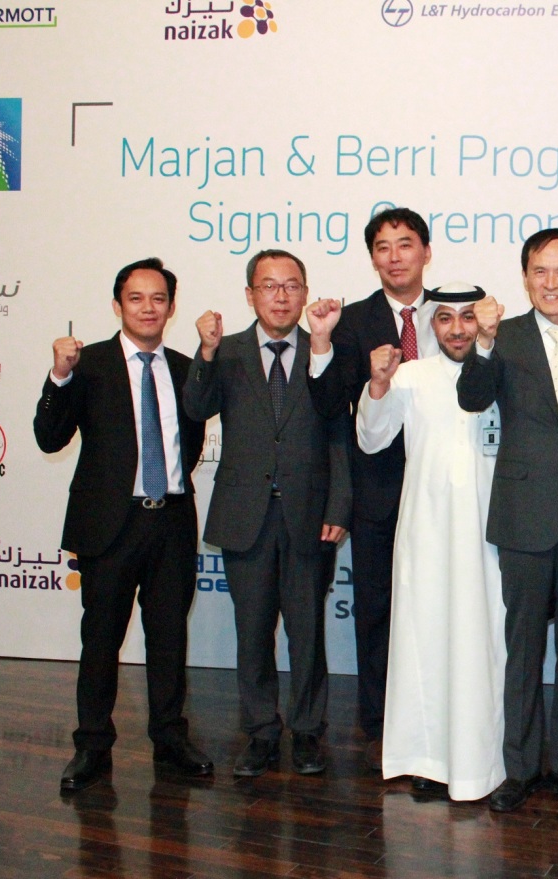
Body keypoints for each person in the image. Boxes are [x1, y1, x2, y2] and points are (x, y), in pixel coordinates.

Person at [456, 229, 558, 813]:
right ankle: (520, 769)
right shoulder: (505, 336)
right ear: (526, 278)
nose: (551, 283)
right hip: (525, 519)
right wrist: (482, 343)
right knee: (522, 649)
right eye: (540, 272)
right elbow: (473, 399)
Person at [34, 257, 211, 792]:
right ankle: (91, 746)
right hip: (110, 526)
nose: (148, 308)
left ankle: (170, 737)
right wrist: (59, 377)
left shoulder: (185, 368)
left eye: (158, 299)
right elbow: (49, 437)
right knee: (100, 641)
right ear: (118, 306)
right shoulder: (87, 365)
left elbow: (194, 441)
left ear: (171, 308)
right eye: (136, 298)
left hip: (172, 522)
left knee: (168, 640)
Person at [184, 249, 350, 778]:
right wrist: (204, 352)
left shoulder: (326, 351)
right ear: (250, 294)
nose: (281, 295)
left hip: (309, 515)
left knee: (307, 633)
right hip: (245, 515)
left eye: (292, 285)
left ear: (305, 293)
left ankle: (306, 733)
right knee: (252, 631)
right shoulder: (226, 352)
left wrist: (339, 505)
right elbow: (196, 408)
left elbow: (339, 434)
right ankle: (259, 732)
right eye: (269, 286)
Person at [355, 283, 507, 801]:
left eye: (468, 317)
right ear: (431, 326)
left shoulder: (502, 368)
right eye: (445, 319)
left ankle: (483, 760)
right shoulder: (409, 376)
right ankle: (426, 757)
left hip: (489, 538)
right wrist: (376, 386)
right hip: (425, 535)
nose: (458, 329)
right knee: (427, 645)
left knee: (483, 646)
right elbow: (372, 438)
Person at [305, 207, 435, 771]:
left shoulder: (457, 314)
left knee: (440, 605)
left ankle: (436, 712)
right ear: (373, 258)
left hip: (443, 488)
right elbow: (330, 405)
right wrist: (322, 343)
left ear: (425, 251)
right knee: (377, 607)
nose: (394, 256)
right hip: (378, 489)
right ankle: (379, 718)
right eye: (383, 247)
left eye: (405, 244)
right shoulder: (353, 320)